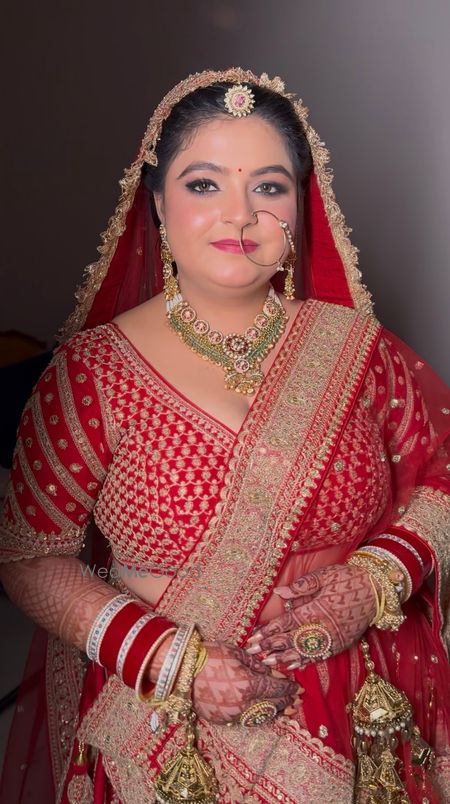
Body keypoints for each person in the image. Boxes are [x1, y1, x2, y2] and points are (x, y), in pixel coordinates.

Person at [0, 67, 449, 804]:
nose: (239, 215)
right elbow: (28, 556)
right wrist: (173, 660)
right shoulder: (91, 372)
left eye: (268, 187)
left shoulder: (357, 350)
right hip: (176, 728)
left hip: (363, 708)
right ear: (157, 203)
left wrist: (375, 579)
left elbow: (443, 475)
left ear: (300, 205)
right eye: (204, 184)